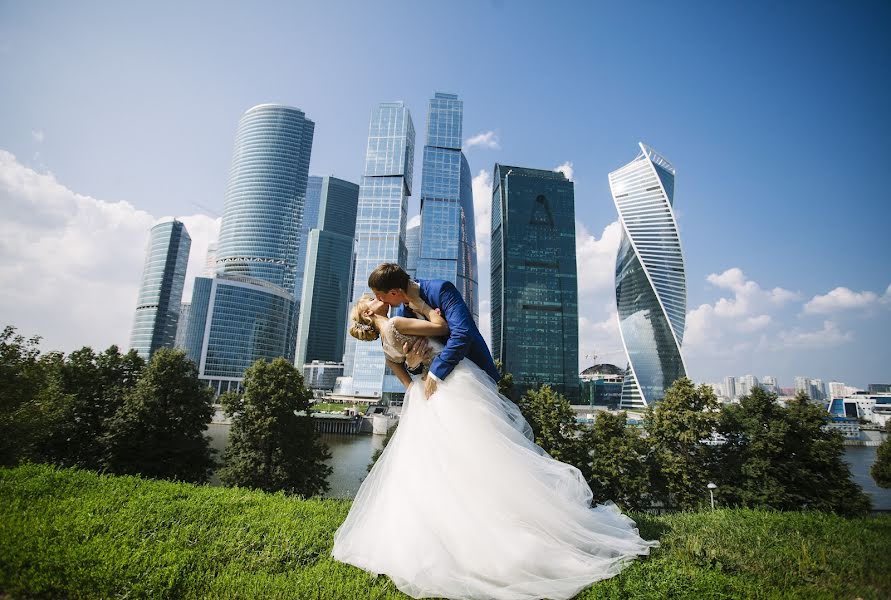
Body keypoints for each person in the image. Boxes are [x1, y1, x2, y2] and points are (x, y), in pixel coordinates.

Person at [331, 288, 658, 600]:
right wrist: (430, 311)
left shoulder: (385, 348)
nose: (378, 300)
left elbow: (409, 380)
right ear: (371, 310)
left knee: (436, 467)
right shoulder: (397, 323)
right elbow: (441, 327)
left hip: (424, 399)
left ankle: (447, 532)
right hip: (451, 386)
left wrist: (418, 372)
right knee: (484, 455)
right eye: (373, 299)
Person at [367, 263, 499, 400]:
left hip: (475, 375)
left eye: (379, 295)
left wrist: (435, 373)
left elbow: (462, 333)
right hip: (440, 391)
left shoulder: (441, 290)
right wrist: (412, 364)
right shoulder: (402, 315)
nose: (379, 300)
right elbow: (416, 365)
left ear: (393, 292)